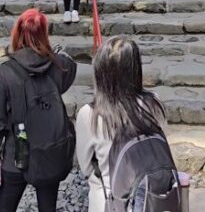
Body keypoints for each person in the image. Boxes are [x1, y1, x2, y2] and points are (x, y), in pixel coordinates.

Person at [0, 9, 78, 212]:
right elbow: (71, 65)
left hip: (16, 153)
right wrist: (52, 51)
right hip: (50, 151)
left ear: (17, 33)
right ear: (44, 34)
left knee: (5, 207)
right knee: (47, 207)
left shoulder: (6, 74)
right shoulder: (58, 66)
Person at [76, 37, 181, 212]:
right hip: (150, 199)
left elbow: (86, 167)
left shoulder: (89, 115)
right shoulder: (153, 103)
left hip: (108, 202)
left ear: (100, 71)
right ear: (135, 68)